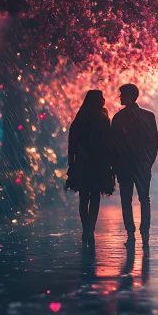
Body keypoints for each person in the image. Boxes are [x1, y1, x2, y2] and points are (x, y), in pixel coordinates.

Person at [111, 84, 158, 248]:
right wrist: (148, 161)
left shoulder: (118, 118)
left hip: (125, 165)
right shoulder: (148, 116)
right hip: (141, 164)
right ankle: (145, 233)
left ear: (130, 96)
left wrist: (116, 164)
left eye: (122, 94)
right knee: (144, 199)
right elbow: (154, 143)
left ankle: (130, 233)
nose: (120, 97)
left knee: (126, 200)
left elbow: (114, 144)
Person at [65, 90, 115, 246]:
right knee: (95, 197)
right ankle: (90, 229)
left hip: (82, 163)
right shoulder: (103, 119)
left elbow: (72, 143)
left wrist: (75, 160)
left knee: (83, 197)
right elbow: (108, 143)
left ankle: (85, 227)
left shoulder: (79, 118)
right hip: (98, 163)